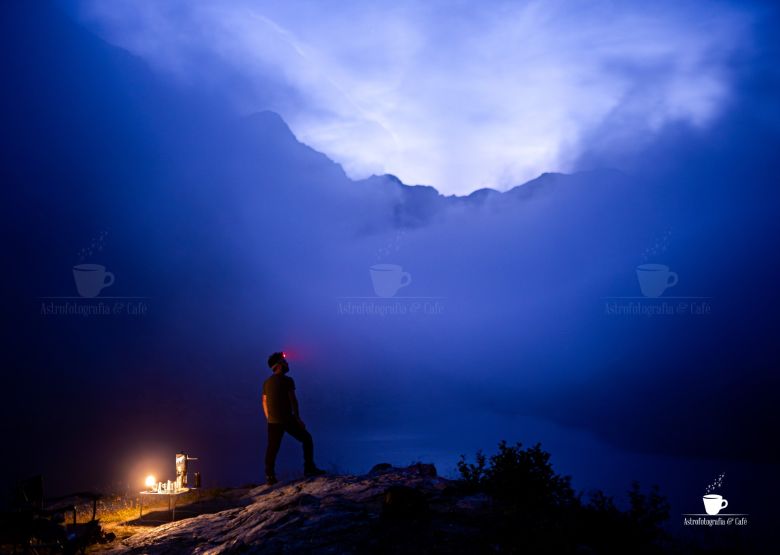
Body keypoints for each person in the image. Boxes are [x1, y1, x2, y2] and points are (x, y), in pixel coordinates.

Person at [262, 351, 326, 485]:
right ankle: (309, 468)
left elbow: (264, 401)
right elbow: (293, 400)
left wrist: (269, 417)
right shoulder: (287, 380)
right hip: (287, 420)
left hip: (273, 422)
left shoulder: (266, 382)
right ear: (279, 365)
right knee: (307, 439)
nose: (287, 364)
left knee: (272, 448)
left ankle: (270, 477)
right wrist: (298, 419)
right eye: (284, 362)